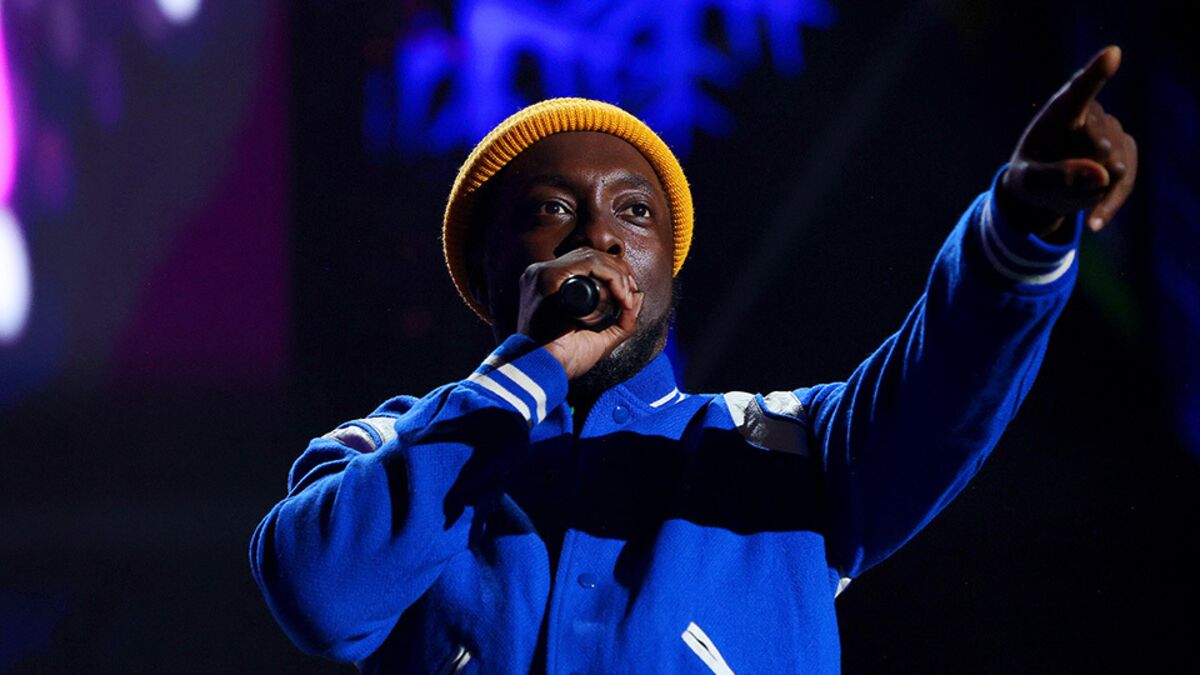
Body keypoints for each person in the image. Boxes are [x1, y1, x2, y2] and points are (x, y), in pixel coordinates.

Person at [250, 46, 1136, 673]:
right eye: (552, 208)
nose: (600, 233)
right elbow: (322, 594)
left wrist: (1019, 226)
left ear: (665, 273)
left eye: (635, 212)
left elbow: (943, 379)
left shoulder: (784, 444)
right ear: (487, 271)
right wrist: (529, 371)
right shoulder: (387, 446)